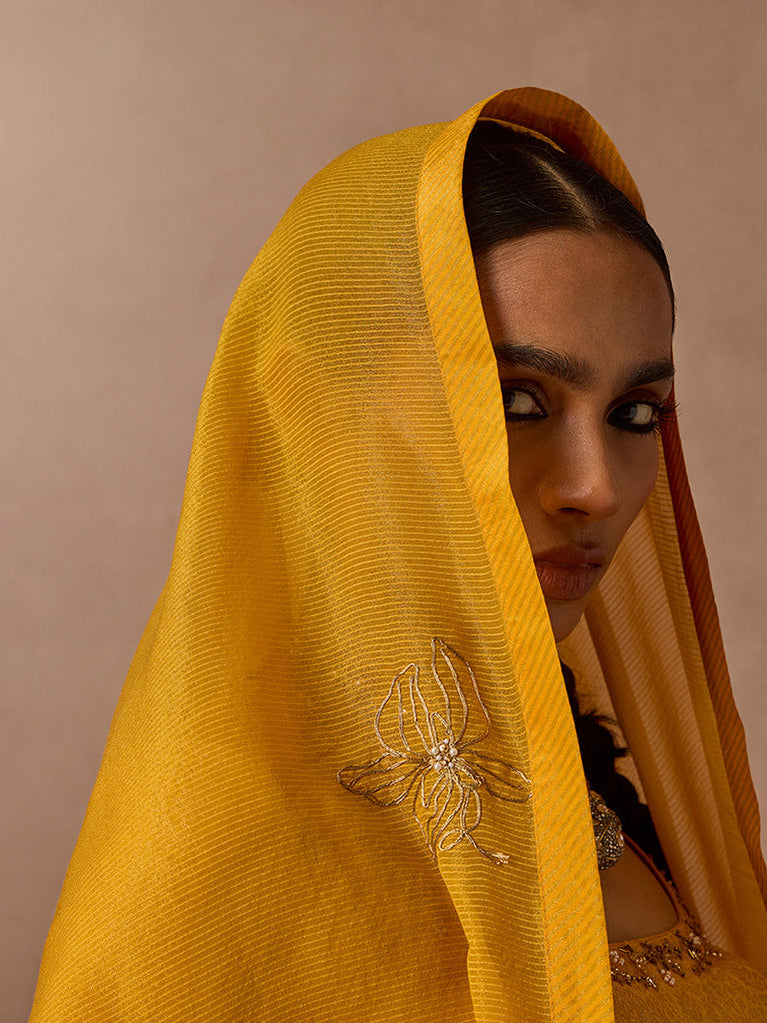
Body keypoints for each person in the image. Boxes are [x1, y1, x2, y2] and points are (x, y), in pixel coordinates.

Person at [29, 88, 767, 1022]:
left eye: (633, 414)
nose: (598, 488)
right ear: (320, 412)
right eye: (513, 402)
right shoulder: (216, 864)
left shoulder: (587, 785)